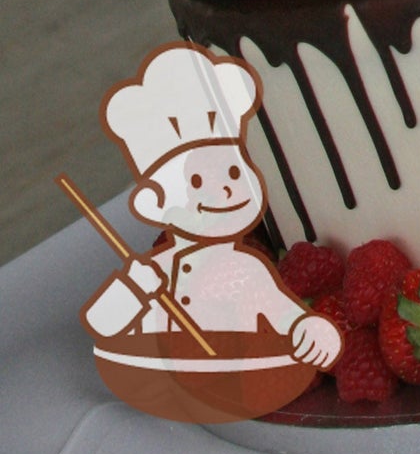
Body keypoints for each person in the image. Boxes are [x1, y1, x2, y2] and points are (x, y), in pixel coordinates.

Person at [80, 45, 340, 371]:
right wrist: (133, 288)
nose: (227, 189)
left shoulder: (249, 269)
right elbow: (103, 324)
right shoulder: (158, 270)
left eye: (233, 172)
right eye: (199, 183)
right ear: (158, 204)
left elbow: (286, 316)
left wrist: (312, 330)